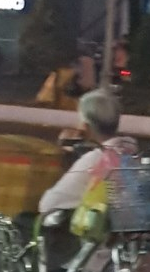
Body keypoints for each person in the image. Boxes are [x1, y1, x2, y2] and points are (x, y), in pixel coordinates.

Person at [39, 87, 138, 216]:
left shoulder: (95, 158)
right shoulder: (130, 153)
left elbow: (49, 204)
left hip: (89, 222)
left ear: (86, 126)